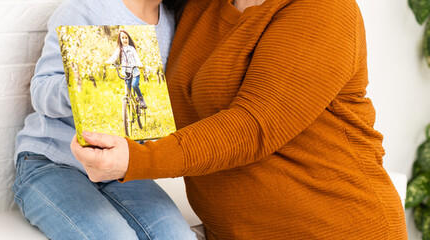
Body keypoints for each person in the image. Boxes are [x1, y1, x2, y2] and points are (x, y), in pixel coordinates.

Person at [71, 0, 409, 239]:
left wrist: (137, 160)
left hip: (337, 229)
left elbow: (252, 126)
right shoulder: (197, 7)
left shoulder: (323, 8)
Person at [12, 0, 196, 239]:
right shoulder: (86, 9)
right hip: (54, 161)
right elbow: (40, 93)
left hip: (118, 169)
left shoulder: (173, 22)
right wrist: (87, 87)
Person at [105, 29, 147, 109]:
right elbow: (114, 57)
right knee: (128, 91)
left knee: (134, 85)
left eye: (126, 38)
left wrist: (139, 64)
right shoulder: (119, 49)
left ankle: (141, 99)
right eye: (123, 38)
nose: (124, 40)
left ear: (128, 39)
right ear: (120, 39)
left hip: (134, 72)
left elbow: (137, 58)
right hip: (126, 73)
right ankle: (128, 112)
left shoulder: (132, 49)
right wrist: (109, 61)